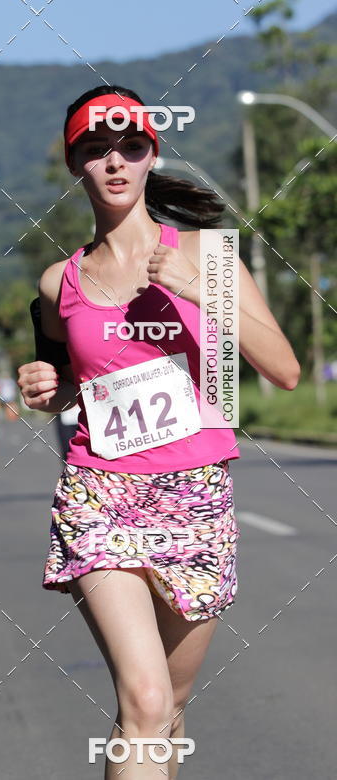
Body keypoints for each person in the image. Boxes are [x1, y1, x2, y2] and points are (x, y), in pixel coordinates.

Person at [17, 85, 301, 779]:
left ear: (152, 156)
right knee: (142, 699)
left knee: (169, 706)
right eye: (96, 149)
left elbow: (284, 371)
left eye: (131, 147)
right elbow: (64, 376)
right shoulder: (62, 282)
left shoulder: (206, 254)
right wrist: (44, 389)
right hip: (100, 494)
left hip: (195, 495)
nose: (115, 162)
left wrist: (201, 290)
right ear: (74, 162)